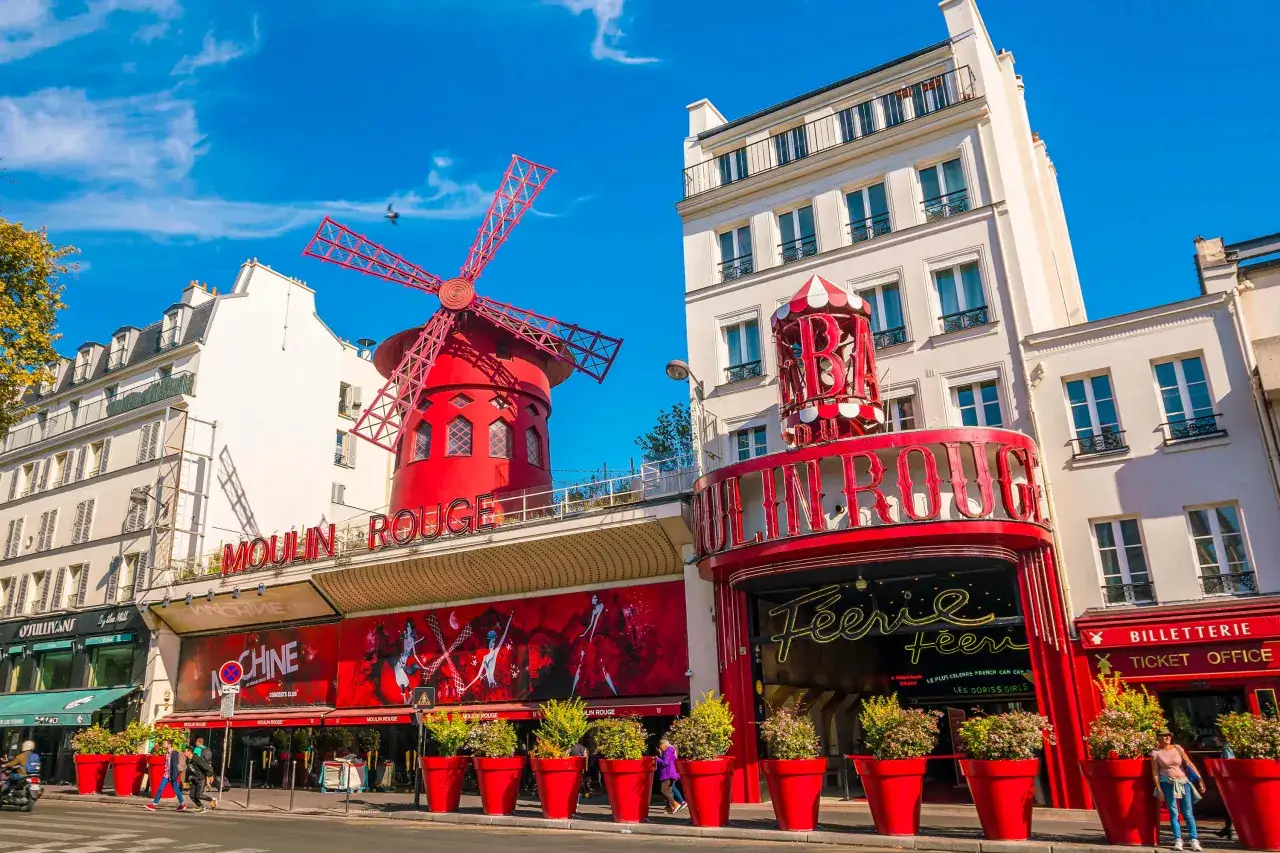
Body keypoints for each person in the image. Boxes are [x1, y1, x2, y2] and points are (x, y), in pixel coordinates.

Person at [1151, 728, 1203, 851]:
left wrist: (1199, 779)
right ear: (1158, 738)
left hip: (1183, 782)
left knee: (1188, 812)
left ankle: (1194, 840)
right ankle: (1178, 840)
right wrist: (1158, 788)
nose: (1167, 737)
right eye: (1163, 736)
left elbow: (1188, 763)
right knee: (1174, 812)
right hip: (1168, 784)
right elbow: (1155, 772)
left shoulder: (1178, 748)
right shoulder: (1155, 753)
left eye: (1168, 735)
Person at [146, 739, 188, 811]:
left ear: (169, 745)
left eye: (164, 744)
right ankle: (154, 804)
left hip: (171, 775)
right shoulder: (167, 753)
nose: (163, 745)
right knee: (161, 788)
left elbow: (174, 766)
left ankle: (182, 804)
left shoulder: (174, 753)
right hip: (166, 775)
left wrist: (174, 776)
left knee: (176, 790)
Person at [657, 737, 685, 815]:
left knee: (663, 789)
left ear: (664, 745)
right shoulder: (671, 751)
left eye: (660, 746)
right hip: (672, 773)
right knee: (669, 790)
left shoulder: (667, 752)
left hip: (668, 773)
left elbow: (665, 763)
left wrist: (657, 759)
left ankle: (675, 804)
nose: (660, 748)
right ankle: (671, 807)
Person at [185, 746, 213, 813]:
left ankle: (212, 799)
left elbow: (208, 768)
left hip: (201, 779)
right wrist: (186, 781)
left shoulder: (197, 759)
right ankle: (201, 807)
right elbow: (189, 771)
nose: (184, 753)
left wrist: (210, 776)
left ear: (189, 752)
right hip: (193, 779)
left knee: (199, 795)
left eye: (185, 752)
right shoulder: (187, 760)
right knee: (191, 795)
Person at [1217, 739, 1234, 840]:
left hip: (1229, 778)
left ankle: (1228, 828)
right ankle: (1228, 828)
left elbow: (1228, 762)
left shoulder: (1228, 746)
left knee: (1228, 804)